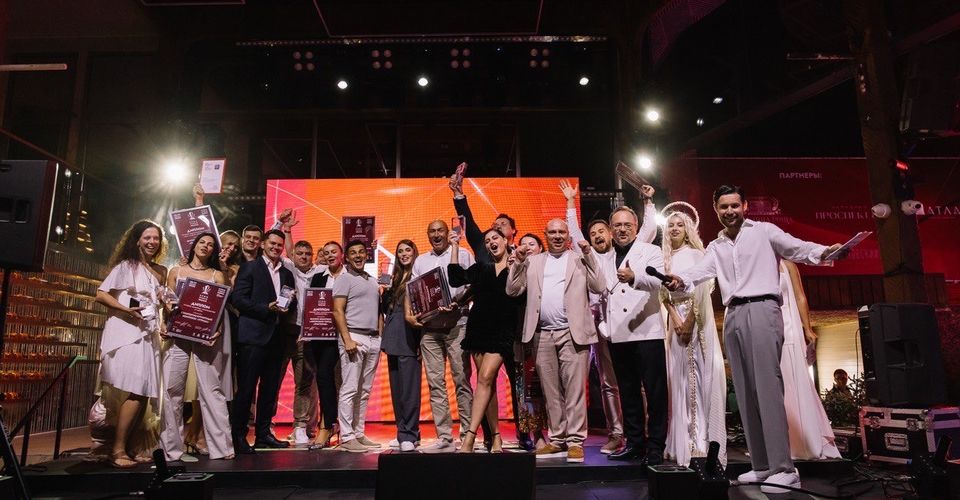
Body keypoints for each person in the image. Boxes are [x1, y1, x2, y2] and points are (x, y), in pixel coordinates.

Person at [666, 184, 845, 494]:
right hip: (733, 314)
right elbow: (699, 273)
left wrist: (824, 252)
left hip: (763, 308)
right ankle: (762, 465)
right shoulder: (716, 246)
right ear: (716, 210)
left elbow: (797, 248)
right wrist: (679, 279)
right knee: (746, 392)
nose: (730, 211)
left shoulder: (764, 232)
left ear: (745, 206)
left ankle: (784, 469)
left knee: (767, 388)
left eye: (734, 205)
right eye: (724, 207)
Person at [561, 180, 657, 454]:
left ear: (612, 233)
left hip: (631, 324)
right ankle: (616, 434)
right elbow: (574, 233)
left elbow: (648, 230)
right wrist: (570, 202)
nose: (597, 235)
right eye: (593, 233)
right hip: (600, 326)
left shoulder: (626, 252)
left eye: (602, 230)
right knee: (608, 384)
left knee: (637, 382)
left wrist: (648, 202)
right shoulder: (587, 256)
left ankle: (642, 433)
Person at [506, 220, 606, 463]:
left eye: (562, 232)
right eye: (552, 232)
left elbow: (599, 286)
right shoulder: (533, 261)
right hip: (542, 334)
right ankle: (558, 438)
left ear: (568, 236)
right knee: (550, 390)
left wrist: (589, 255)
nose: (558, 236)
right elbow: (512, 290)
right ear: (546, 235)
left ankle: (575, 441)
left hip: (573, 333)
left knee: (574, 390)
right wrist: (518, 262)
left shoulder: (579, 258)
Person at [449, 170, 529, 450]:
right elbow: (457, 276)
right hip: (479, 327)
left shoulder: (521, 260)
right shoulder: (483, 262)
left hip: (507, 330)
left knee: (507, 382)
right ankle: (494, 436)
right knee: (486, 382)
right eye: (489, 235)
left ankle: (519, 433)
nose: (493, 235)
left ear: (510, 236)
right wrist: (458, 195)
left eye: (501, 228)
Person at [94, 220, 168, 468]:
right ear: (137, 240)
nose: (152, 242)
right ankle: (117, 450)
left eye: (156, 238)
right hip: (127, 333)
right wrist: (125, 309)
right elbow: (101, 294)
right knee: (136, 389)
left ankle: (129, 446)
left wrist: (164, 316)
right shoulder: (126, 266)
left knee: (144, 391)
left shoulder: (160, 271)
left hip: (148, 334)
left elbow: (159, 303)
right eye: (147, 237)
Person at [159, 233, 234, 462]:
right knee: (172, 389)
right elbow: (168, 302)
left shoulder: (217, 275)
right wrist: (165, 321)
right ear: (194, 245)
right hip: (178, 335)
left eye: (210, 244)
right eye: (202, 242)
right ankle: (171, 450)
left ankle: (222, 448)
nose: (206, 246)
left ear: (213, 250)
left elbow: (221, 306)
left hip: (206, 337)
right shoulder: (176, 271)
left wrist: (218, 329)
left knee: (212, 389)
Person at [659, 212, 726, 468]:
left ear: (688, 229)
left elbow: (701, 290)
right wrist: (675, 319)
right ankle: (680, 440)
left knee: (696, 376)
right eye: (670, 225)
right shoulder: (665, 258)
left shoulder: (697, 255)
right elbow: (663, 295)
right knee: (678, 378)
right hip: (674, 322)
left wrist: (688, 322)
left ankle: (698, 440)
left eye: (680, 225)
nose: (675, 228)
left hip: (696, 320)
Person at [603, 205, 669, 464]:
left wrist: (634, 277)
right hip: (619, 333)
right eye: (617, 225)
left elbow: (658, 281)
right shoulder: (606, 256)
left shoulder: (650, 251)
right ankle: (634, 443)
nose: (622, 230)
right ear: (611, 229)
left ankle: (655, 446)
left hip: (647, 331)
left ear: (636, 227)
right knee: (628, 392)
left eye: (627, 225)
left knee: (654, 392)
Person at [408, 220, 475, 452]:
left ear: (448, 233)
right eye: (432, 231)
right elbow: (414, 291)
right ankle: (444, 438)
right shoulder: (421, 261)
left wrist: (458, 301)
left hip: (458, 324)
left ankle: (468, 436)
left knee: (462, 381)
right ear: (428, 235)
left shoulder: (464, 254)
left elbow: (473, 286)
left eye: (440, 231)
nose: (436, 235)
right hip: (430, 329)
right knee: (435, 384)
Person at [229, 229, 295, 453]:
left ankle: (263, 435)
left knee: (270, 390)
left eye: (279, 245)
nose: (276, 248)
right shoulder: (250, 267)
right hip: (252, 337)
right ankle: (238, 436)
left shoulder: (286, 273)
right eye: (272, 243)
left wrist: (289, 304)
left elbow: (289, 302)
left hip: (277, 338)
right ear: (264, 244)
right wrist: (265, 308)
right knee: (246, 389)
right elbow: (238, 299)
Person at [779, 260, 842, 460]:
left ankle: (805, 440)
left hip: (788, 329)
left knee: (795, 382)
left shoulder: (787, 265)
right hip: (766, 330)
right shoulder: (755, 261)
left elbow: (799, 296)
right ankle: (779, 443)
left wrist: (807, 328)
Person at [277, 212, 325, 446]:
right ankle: (265, 424)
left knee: (304, 382)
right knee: (273, 380)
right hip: (285, 332)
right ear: (293, 255)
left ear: (312, 256)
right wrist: (286, 229)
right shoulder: (287, 266)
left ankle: (300, 426)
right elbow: (285, 248)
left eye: (308, 254)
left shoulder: (319, 271)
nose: (304, 257)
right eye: (300, 253)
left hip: (308, 336)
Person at [332, 240, 384, 453]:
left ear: (366, 255)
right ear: (347, 257)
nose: (358, 256)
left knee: (364, 390)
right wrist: (347, 339)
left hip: (373, 339)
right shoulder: (344, 279)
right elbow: (337, 311)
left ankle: (358, 432)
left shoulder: (372, 280)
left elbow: (378, 311)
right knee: (350, 388)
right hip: (353, 336)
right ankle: (346, 436)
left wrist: (379, 337)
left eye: (361, 252)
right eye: (353, 253)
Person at [306, 241, 349, 448]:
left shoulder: (350, 276)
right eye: (326, 253)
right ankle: (329, 423)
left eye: (334, 252)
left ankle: (331, 425)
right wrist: (307, 329)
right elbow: (312, 306)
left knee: (342, 381)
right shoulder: (318, 278)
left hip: (346, 334)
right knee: (324, 378)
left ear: (342, 255)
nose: (330, 255)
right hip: (322, 336)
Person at [382, 240, 422, 452]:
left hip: (410, 337)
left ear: (414, 252)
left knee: (409, 390)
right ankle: (403, 431)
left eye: (408, 250)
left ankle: (410, 433)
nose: (404, 254)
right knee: (397, 390)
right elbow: (386, 308)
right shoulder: (395, 278)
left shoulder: (419, 275)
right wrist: (385, 291)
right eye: (400, 251)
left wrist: (421, 340)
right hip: (393, 337)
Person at [514, 234, 548, 451]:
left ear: (541, 248)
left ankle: (560, 433)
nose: (527, 247)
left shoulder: (549, 268)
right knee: (527, 387)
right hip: (522, 335)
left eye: (532, 244)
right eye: (523, 244)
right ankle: (535, 434)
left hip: (548, 332)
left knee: (551, 386)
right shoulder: (516, 267)